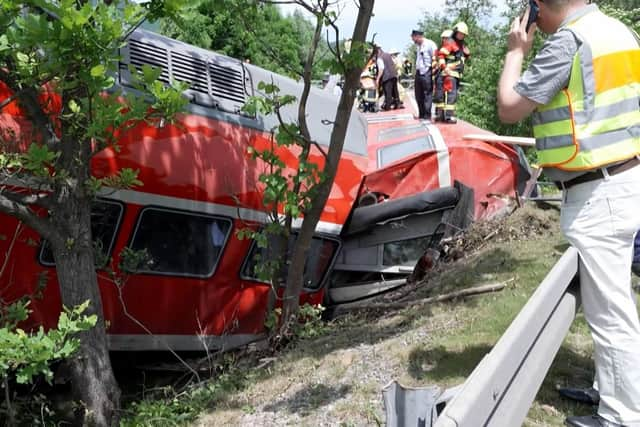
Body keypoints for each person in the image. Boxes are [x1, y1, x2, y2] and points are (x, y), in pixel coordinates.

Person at [497, 1, 640, 426]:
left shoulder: (569, 43)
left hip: (599, 191)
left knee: (611, 312)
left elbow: (509, 107)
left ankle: (622, 416)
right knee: (614, 299)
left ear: (541, 8)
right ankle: (607, 387)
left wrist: (515, 51)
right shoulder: (619, 32)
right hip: (626, 176)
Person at [434, 22, 470, 123]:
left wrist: (467, 53)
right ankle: (448, 116)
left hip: (455, 74)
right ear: (455, 32)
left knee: (448, 94)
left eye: (463, 34)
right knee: (451, 95)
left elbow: (464, 56)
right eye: (460, 33)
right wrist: (444, 67)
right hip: (449, 73)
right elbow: (441, 55)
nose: (461, 35)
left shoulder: (461, 45)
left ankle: (441, 115)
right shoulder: (450, 43)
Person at [411, 29, 437, 120]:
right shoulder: (418, 46)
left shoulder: (430, 44)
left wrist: (433, 73)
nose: (413, 41)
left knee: (427, 94)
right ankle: (421, 114)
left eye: (414, 39)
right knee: (418, 94)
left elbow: (435, 58)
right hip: (419, 72)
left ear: (419, 36)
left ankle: (427, 115)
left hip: (427, 71)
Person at [375, 46, 400, 110]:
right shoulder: (388, 55)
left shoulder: (379, 58)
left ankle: (387, 107)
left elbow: (381, 69)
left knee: (388, 92)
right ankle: (397, 104)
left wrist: (377, 79)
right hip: (394, 75)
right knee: (395, 91)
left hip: (387, 77)